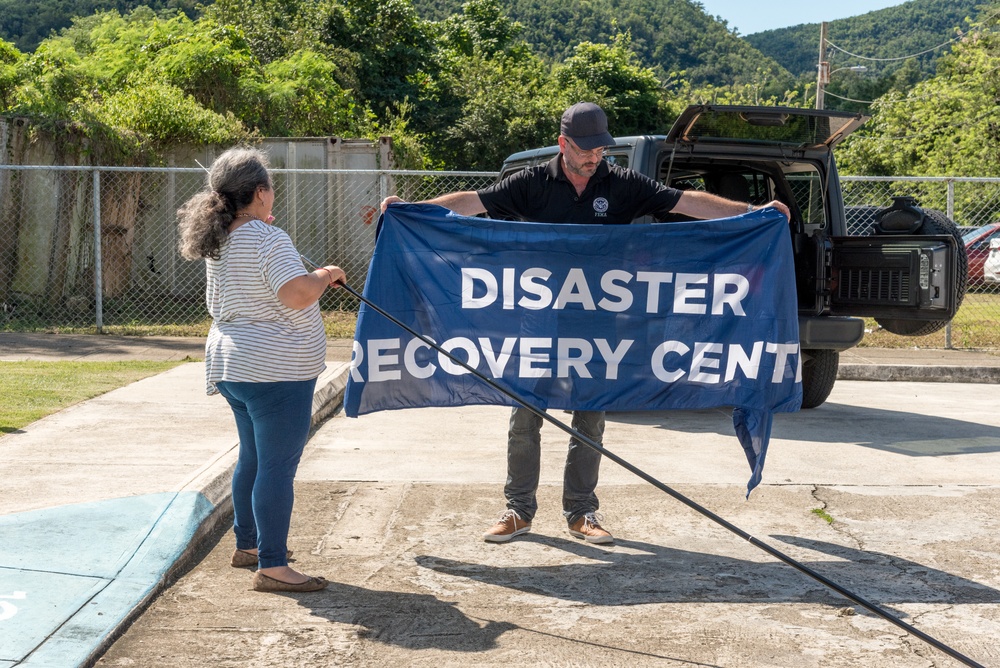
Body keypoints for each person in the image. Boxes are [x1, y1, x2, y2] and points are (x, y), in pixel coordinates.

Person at [381, 102, 790, 546]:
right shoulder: (532, 182)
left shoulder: (621, 182)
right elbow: (470, 203)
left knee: (590, 415)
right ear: (564, 144)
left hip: (598, 322)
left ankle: (582, 512)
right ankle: (518, 510)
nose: (596, 157)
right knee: (526, 413)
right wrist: (412, 209)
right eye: (587, 149)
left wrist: (753, 211)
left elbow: (686, 202)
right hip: (536, 317)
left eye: (602, 149)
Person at [178, 147, 346, 592]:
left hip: (234, 365)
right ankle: (272, 565)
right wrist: (327, 273)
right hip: (276, 371)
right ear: (259, 192)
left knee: (252, 458)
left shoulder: (224, 237)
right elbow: (295, 294)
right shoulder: (269, 239)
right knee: (277, 468)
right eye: (271, 187)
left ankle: (248, 545)